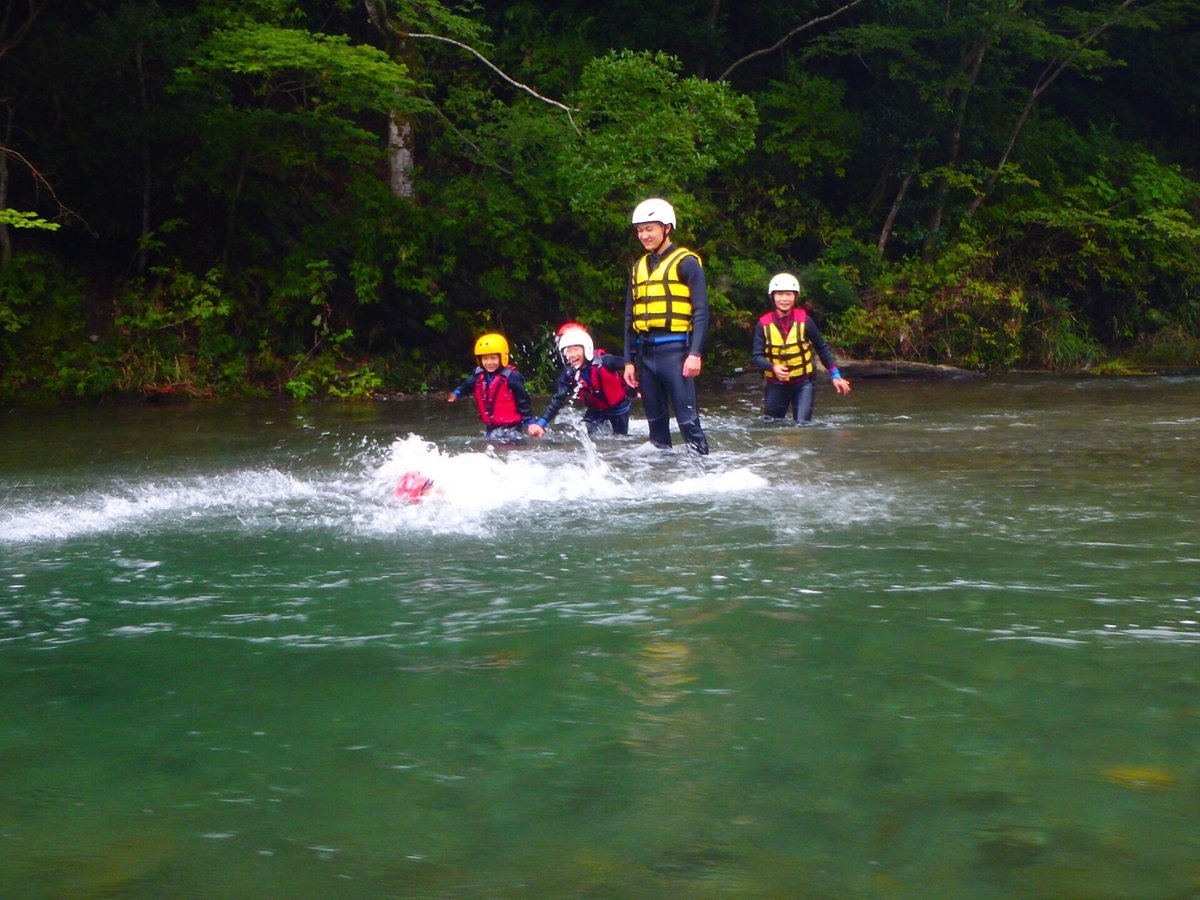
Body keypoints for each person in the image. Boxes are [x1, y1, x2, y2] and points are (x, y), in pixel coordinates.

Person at [622, 198, 709, 454]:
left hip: (676, 353)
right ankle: (662, 479)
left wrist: (695, 354)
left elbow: (701, 311)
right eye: (640, 230)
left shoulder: (687, 263)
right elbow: (630, 316)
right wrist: (629, 360)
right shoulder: (638, 267)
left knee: (688, 424)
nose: (644, 235)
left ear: (667, 228)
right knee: (656, 431)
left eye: (650, 228)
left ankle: (703, 474)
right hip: (646, 356)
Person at [751, 272, 851, 421]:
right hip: (776, 385)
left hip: (803, 384)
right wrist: (773, 368)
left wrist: (835, 375)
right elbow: (757, 356)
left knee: (803, 426)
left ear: (795, 297)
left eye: (789, 294)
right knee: (772, 427)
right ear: (772, 297)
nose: (784, 299)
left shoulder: (806, 321)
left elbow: (821, 348)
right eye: (779, 294)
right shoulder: (763, 324)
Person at [527, 323, 632, 438]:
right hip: (596, 410)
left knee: (621, 439)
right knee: (583, 434)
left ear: (586, 349)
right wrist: (541, 424)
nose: (572, 355)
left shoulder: (606, 362)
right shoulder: (568, 374)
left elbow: (630, 364)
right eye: (568, 351)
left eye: (576, 349)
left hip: (619, 408)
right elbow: (558, 399)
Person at [447, 332, 538, 440]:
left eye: (493, 358)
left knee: (510, 451)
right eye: (485, 359)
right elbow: (466, 386)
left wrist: (529, 422)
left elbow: (523, 401)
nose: (489, 362)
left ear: (502, 357)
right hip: (491, 426)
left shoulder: (513, 377)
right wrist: (457, 394)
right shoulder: (478, 376)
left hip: (512, 428)